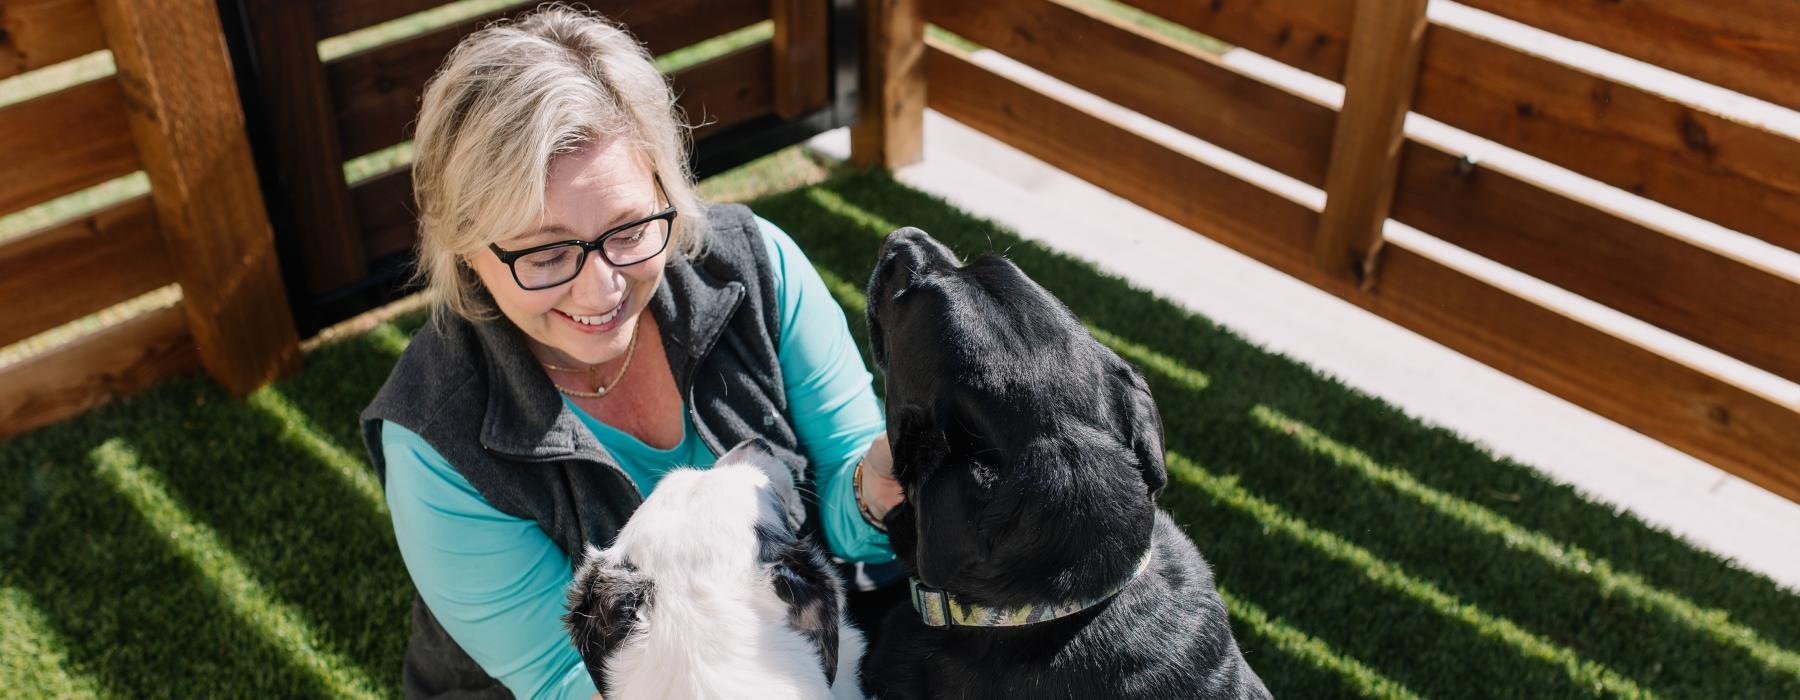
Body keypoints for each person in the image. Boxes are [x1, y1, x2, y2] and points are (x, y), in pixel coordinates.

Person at [358, 6, 904, 698]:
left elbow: (848, 515)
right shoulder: (437, 441)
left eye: (628, 227)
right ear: (467, 249)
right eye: (547, 251)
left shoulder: (758, 267)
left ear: (665, 189)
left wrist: (875, 491)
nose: (602, 285)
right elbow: (568, 680)